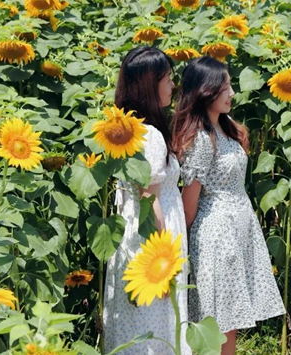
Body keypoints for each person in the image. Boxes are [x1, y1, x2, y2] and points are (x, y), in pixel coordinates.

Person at [172, 56, 285, 355]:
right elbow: (189, 203)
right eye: (225, 87)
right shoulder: (199, 139)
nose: (232, 93)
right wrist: (177, 249)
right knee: (217, 320)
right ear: (205, 91)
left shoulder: (227, 128)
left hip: (238, 227)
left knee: (229, 318)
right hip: (216, 234)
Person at [103, 46, 191, 355]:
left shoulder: (125, 130)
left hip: (132, 235)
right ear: (149, 85)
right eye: (167, 79)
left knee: (136, 320)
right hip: (153, 235)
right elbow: (149, 200)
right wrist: (162, 262)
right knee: (155, 323)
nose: (172, 86)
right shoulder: (150, 135)